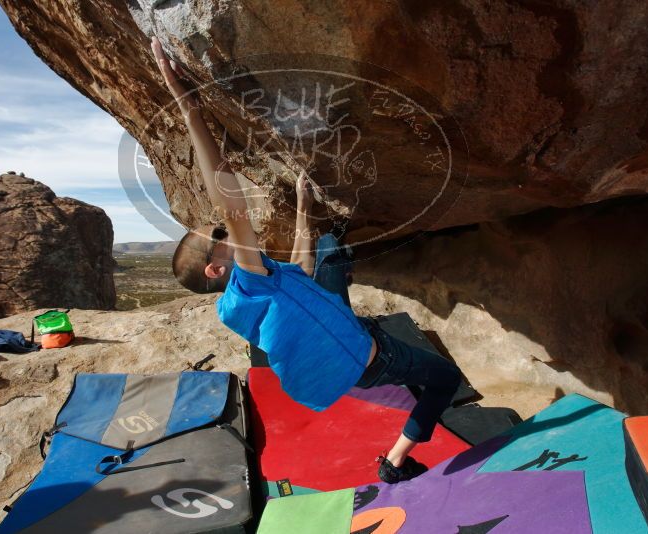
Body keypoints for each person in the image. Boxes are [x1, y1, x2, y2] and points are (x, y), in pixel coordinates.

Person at [151, 37, 461, 483]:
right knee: (444, 379)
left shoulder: (260, 287)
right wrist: (188, 108)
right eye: (217, 237)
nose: (224, 232)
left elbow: (303, 267)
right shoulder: (248, 281)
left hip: (351, 364)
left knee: (327, 254)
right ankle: (395, 462)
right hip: (376, 358)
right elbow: (230, 202)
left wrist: (301, 204)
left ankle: (394, 449)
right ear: (215, 269)